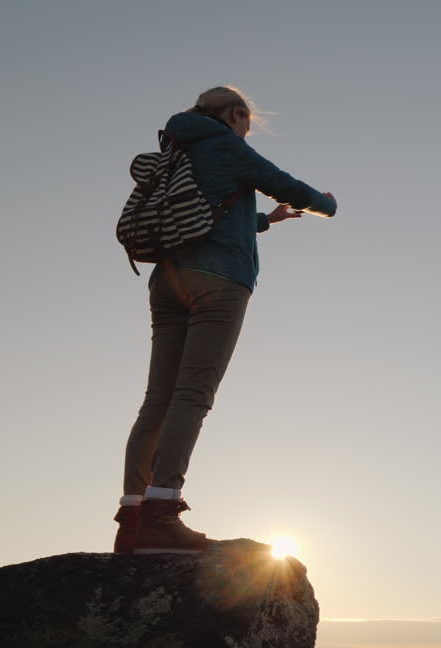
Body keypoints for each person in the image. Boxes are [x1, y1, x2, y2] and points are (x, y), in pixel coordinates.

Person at [115, 86, 337, 554]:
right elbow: (289, 185)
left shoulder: (177, 147)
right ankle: (162, 511)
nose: (244, 131)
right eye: (246, 123)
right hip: (219, 281)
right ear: (234, 114)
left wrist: (266, 221)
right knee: (193, 394)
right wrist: (327, 203)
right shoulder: (225, 144)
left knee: (156, 400)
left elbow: (202, 212)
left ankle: (132, 519)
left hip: (168, 280)